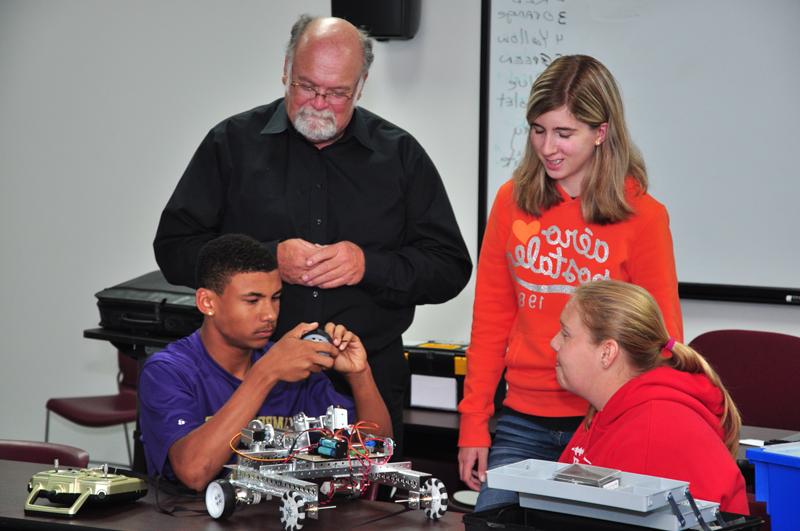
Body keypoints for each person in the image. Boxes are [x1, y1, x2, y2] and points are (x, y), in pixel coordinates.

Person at [152, 15, 472, 452]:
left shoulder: (400, 156)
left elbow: (450, 267)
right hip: (248, 381)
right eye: (306, 86)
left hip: (367, 380)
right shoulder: (232, 145)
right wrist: (267, 261)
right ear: (285, 70)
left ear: (360, 87)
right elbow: (173, 249)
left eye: (337, 93)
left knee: (363, 515)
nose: (319, 103)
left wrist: (368, 265)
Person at [458, 55, 683, 511]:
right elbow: (490, 320)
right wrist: (473, 423)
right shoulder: (511, 202)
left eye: (565, 133)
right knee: (492, 521)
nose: (548, 147)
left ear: (600, 132)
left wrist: (659, 431)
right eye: (539, 130)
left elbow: (664, 342)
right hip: (522, 419)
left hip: (606, 420)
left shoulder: (644, 216)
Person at [138, 234, 391, 491]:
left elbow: (375, 452)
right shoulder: (168, 371)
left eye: (276, 297)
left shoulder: (293, 368)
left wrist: (361, 375)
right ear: (207, 302)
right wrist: (265, 373)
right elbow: (194, 472)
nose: (269, 314)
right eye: (253, 300)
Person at [553, 280, 748, 513]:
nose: (554, 342)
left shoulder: (654, 432)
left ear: (607, 352)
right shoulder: (609, 410)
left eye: (566, 334)